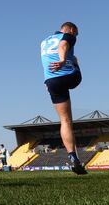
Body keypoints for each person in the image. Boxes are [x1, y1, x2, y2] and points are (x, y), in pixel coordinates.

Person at [40, 22, 87, 175]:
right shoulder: (68, 35)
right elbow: (63, 45)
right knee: (75, 60)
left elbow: (46, 59)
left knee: (65, 121)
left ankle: (73, 157)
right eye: (76, 33)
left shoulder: (45, 41)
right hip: (69, 76)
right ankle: (75, 66)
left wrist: (48, 80)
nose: (76, 36)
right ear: (72, 30)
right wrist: (62, 60)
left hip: (51, 81)